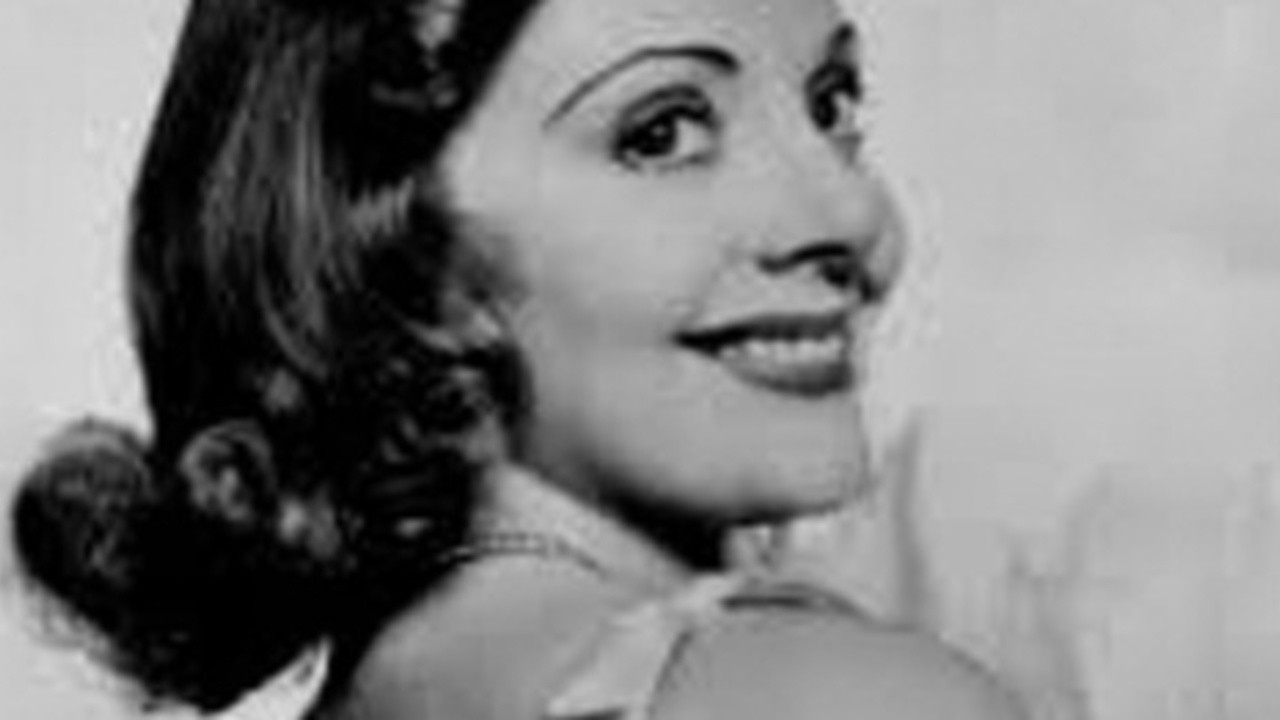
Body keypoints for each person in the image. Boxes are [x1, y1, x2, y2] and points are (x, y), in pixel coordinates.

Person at [10, 0, 1025, 718]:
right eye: (662, 132)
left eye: (832, 105)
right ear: (398, 249)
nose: (852, 214)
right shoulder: (839, 699)